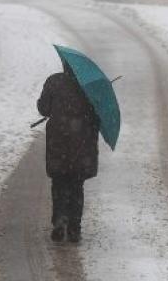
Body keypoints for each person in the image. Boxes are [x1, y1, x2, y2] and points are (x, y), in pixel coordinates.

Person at [37, 64, 100, 243]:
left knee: (59, 184)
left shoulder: (54, 81)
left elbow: (43, 108)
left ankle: (59, 219)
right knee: (76, 186)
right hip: (82, 146)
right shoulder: (90, 88)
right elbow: (97, 119)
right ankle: (74, 228)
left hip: (58, 143)